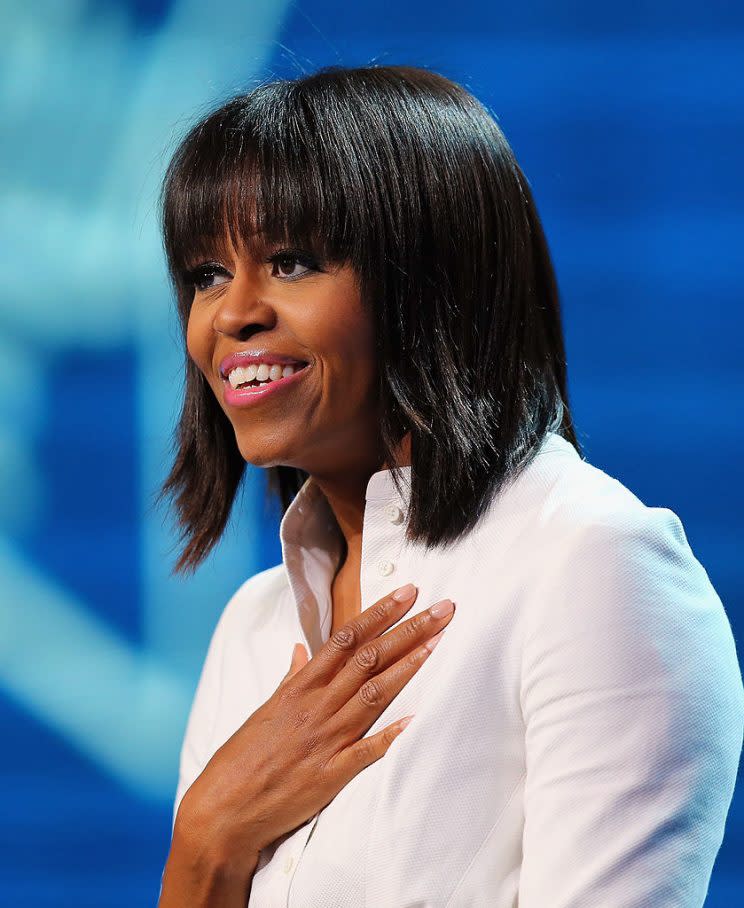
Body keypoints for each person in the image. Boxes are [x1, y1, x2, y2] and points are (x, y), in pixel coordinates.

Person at [155, 65, 743, 907]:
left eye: (290, 263)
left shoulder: (593, 563)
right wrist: (208, 838)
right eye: (207, 273)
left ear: (432, 282)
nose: (232, 314)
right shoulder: (251, 626)